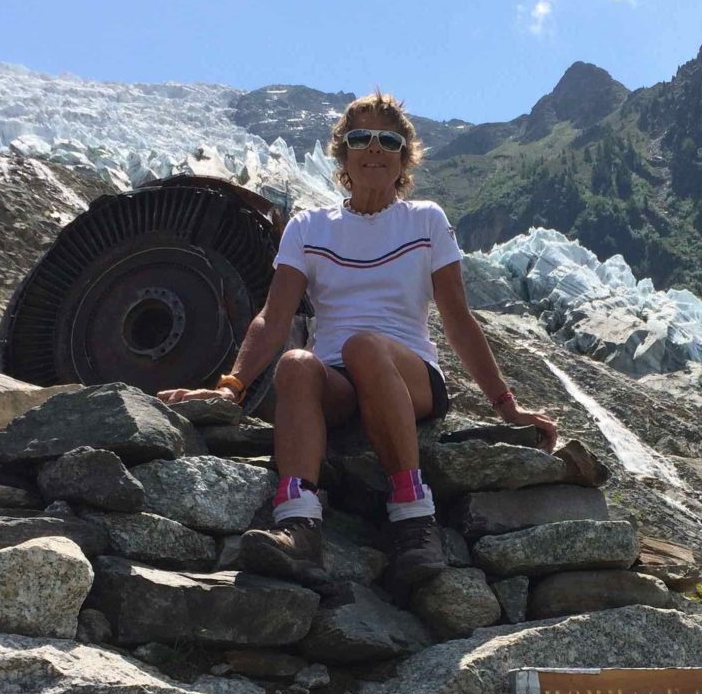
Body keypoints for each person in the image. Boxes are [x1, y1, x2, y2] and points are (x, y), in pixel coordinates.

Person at [159, 91, 557, 596]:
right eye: (359, 137)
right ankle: (299, 522)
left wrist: (507, 406)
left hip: (409, 376)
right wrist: (232, 385)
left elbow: (457, 320)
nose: (374, 147)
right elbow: (274, 317)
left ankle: (414, 517)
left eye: (388, 139)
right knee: (298, 364)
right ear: (342, 153)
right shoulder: (309, 228)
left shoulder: (425, 221)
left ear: (403, 157)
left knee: (365, 346)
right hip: (338, 383)